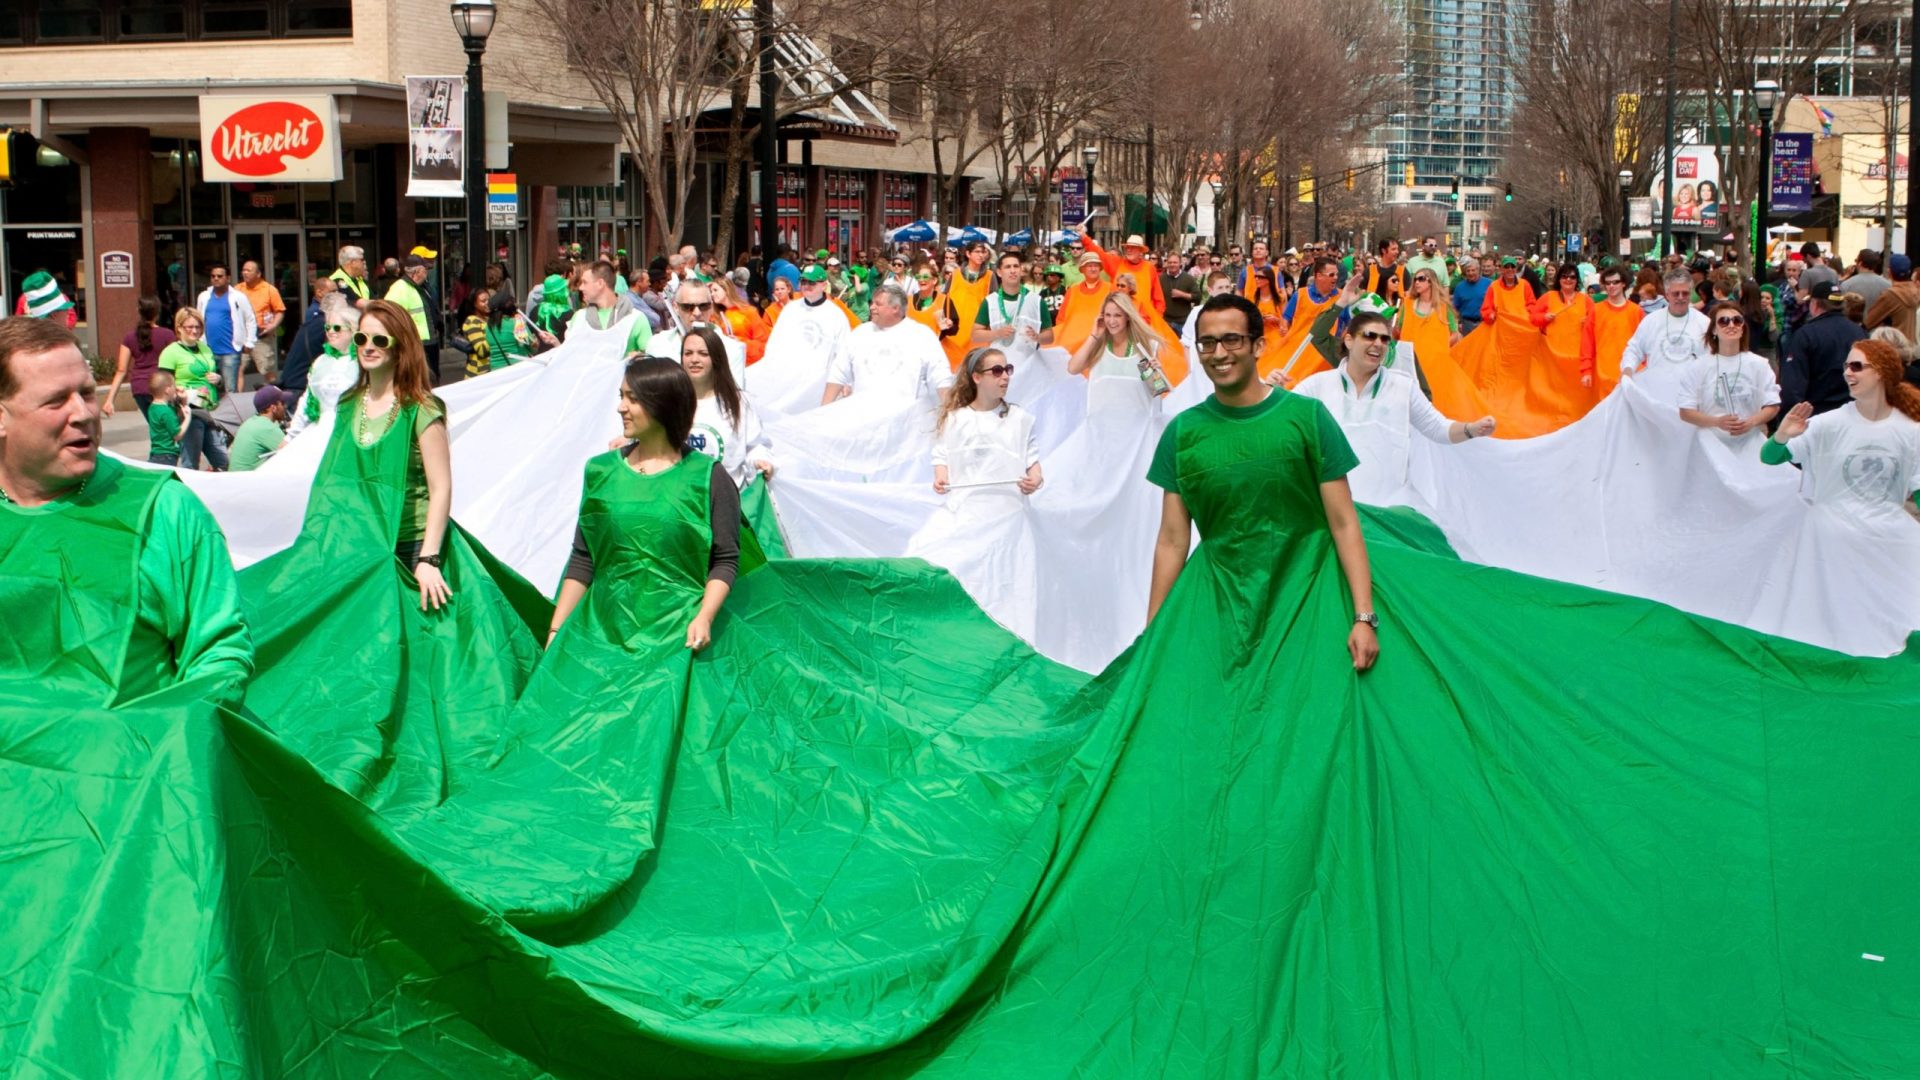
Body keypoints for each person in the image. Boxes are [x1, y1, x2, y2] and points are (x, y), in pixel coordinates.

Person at [0, 317, 252, 703]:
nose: (84, 414)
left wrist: (157, 744)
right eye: (55, 400)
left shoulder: (167, 512)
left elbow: (219, 658)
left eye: (85, 393)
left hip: (128, 758)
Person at [1147, 292, 1378, 671]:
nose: (1219, 353)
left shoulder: (1308, 418)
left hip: (1307, 597)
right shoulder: (1182, 433)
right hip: (1219, 605)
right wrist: (1154, 633)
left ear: (1258, 345)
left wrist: (1363, 616)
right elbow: (1172, 540)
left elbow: (1343, 522)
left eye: (1231, 340)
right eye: (1208, 343)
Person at [548, 355, 741, 651]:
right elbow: (583, 558)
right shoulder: (600, 471)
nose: (620, 407)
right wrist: (555, 630)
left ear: (663, 405)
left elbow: (725, 560)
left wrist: (704, 617)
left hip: (677, 638)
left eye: (632, 399)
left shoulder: (709, 477)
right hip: (602, 636)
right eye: (621, 396)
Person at [1754, 338, 1920, 651]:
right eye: (1845, 366)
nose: (1848, 373)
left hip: (1884, 535)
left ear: (1882, 372)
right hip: (1830, 536)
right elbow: (1770, 457)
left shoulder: (1911, 431)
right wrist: (1780, 435)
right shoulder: (1828, 424)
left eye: (1857, 366)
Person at [904, 345, 1044, 639]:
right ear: (977, 378)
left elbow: (1033, 462)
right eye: (996, 371)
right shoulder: (956, 418)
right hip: (966, 513)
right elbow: (941, 455)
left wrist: (1035, 480)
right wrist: (941, 478)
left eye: (1007, 370)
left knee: (1003, 589)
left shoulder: (1019, 417)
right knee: (931, 557)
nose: (1004, 377)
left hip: (1007, 519)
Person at [1292, 308, 1495, 506]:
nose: (1378, 344)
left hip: (1387, 507)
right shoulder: (1316, 385)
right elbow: (1283, 419)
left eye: (1385, 339)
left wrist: (1471, 429)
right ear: (1349, 340)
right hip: (1332, 507)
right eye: (1370, 336)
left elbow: (1438, 428)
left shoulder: (1403, 386)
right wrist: (1271, 388)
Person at [340, 300, 452, 611]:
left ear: (400, 347)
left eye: (380, 340)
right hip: (364, 545)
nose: (369, 347)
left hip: (412, 545)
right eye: (362, 338)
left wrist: (429, 557)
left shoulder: (422, 409)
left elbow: (440, 487)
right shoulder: (348, 406)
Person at [821, 284, 952, 404]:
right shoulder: (860, 333)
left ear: (895, 308)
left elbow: (941, 377)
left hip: (905, 421)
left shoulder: (922, 335)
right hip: (863, 417)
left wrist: (949, 415)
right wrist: (823, 411)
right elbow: (838, 373)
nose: (871, 307)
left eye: (878, 304)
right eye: (872, 303)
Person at [1677, 301, 1780, 453]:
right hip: (1710, 447)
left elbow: (1772, 405)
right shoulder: (1698, 367)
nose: (1731, 325)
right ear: (1714, 329)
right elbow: (1686, 412)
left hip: (1749, 444)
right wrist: (1717, 422)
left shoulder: (1759, 364)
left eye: (1737, 321)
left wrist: (1751, 422)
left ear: (1743, 328)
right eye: (1724, 321)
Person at [681, 324, 773, 489]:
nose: (694, 359)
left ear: (716, 358)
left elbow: (755, 445)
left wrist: (761, 461)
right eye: (688, 353)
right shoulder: (669, 399)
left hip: (727, 499)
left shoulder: (738, 401)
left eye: (703, 354)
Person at [1779, 269, 1868, 419]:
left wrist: (1788, 419)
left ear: (1814, 304)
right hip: (1853, 413)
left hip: (1815, 416)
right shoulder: (1859, 333)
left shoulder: (1806, 335)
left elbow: (1793, 384)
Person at [156, 306, 229, 471]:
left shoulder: (205, 348)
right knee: (191, 463)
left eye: (198, 327)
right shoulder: (170, 352)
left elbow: (217, 379)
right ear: (179, 328)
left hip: (210, 412)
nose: (194, 331)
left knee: (222, 462)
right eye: (190, 327)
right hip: (189, 412)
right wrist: (179, 392)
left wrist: (218, 380)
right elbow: (163, 385)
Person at [1067, 292, 1172, 403]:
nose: (1111, 321)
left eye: (1117, 315)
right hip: (1103, 417)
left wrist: (1158, 373)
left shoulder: (1142, 347)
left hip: (1135, 417)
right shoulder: (1099, 345)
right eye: (1108, 315)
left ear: (1127, 316)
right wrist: (1094, 336)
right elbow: (1073, 369)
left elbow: (1158, 389)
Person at [1618, 268, 1709, 395]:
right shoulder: (1651, 321)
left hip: (1692, 395)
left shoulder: (1705, 323)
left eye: (1685, 293)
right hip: (1656, 394)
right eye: (1676, 294)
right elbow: (1634, 349)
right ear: (1667, 294)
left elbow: (1713, 358)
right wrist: (1627, 371)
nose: (1681, 298)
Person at [287, 293, 360, 440]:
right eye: (328, 327)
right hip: (320, 432)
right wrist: (290, 436)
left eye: (337, 328)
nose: (331, 332)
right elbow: (307, 400)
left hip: (349, 433)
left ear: (352, 330)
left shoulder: (362, 361)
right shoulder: (321, 361)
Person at [973, 251, 1054, 369]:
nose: (1012, 270)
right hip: (999, 369)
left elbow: (1050, 336)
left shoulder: (1036, 301)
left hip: (1028, 368)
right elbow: (975, 335)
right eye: (1007, 267)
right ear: (999, 272)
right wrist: (997, 333)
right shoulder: (990, 302)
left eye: (1016, 266)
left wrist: (1037, 337)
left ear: (1021, 271)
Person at [103, 295, 175, 419]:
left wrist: (110, 400)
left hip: (139, 388)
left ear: (139, 311)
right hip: (161, 386)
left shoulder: (129, 337)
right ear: (158, 312)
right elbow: (176, 362)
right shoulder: (168, 335)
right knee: (169, 428)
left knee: (156, 427)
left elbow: (121, 370)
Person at [196, 261, 259, 396]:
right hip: (208, 351)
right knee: (209, 389)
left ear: (228, 278)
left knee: (230, 389)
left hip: (230, 351)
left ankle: (231, 416)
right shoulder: (204, 297)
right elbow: (198, 320)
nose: (216, 279)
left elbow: (250, 319)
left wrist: (249, 342)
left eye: (220, 276)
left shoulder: (238, 297)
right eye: (213, 276)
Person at [1529, 262, 1596, 387]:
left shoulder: (1586, 300)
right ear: (1559, 279)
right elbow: (1532, 318)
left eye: (1572, 277)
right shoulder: (1548, 297)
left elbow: (1596, 322)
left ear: (1577, 280)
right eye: (1564, 276)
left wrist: (1588, 320)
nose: (1568, 280)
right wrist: (1544, 317)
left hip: (1576, 356)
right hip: (1551, 356)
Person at [568, 259, 652, 355]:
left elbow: (649, 358)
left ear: (600, 283)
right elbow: (570, 355)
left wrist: (639, 357)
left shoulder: (636, 318)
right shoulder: (579, 317)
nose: (581, 288)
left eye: (585, 282)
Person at [1582, 266, 1645, 394]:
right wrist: (1586, 371)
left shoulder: (1636, 311)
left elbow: (1645, 344)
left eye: (1615, 282)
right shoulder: (1596, 310)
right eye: (1608, 283)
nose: (1611, 286)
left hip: (1633, 375)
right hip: (1604, 377)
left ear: (1623, 284)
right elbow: (1587, 343)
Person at [278, 275, 336, 396]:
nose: (337, 296)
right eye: (332, 292)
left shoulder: (322, 314)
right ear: (319, 292)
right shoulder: (317, 316)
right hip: (299, 384)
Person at [1393, 267, 1461, 370]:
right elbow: (1398, 331)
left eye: (1421, 279)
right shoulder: (1407, 304)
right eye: (1415, 279)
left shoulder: (1443, 306)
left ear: (1431, 282)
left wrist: (1438, 350)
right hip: (1410, 362)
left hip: (1435, 364)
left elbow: (1454, 334)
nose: (1417, 282)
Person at [235, 259, 286, 389]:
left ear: (258, 274)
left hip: (261, 337)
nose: (245, 273)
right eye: (243, 270)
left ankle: (275, 396)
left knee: (267, 369)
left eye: (249, 270)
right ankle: (237, 400)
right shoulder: (237, 289)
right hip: (242, 337)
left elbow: (279, 311)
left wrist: (273, 325)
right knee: (237, 369)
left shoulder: (269, 290)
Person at [229, 385, 292, 472]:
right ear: (273, 408)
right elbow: (293, 454)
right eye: (282, 403)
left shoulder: (250, 422)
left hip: (236, 479)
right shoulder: (267, 428)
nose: (285, 406)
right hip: (248, 482)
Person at [1865, 253, 1919, 340]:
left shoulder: (1891, 295)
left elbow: (1868, 322)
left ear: (1889, 272)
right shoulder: (1916, 291)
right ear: (1909, 272)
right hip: (1912, 345)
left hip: (1895, 345)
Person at [144, 370, 185, 466]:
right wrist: (188, 418)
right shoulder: (166, 412)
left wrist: (180, 400)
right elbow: (177, 435)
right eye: (174, 386)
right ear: (167, 390)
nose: (176, 388)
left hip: (156, 453)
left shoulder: (153, 407)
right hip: (167, 455)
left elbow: (175, 415)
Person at [1844, 249, 1893, 313]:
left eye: (1856, 261)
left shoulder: (1847, 285)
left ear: (1860, 263)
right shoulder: (1888, 285)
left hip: (1854, 321)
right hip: (1878, 322)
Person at [1450, 258, 1490, 336]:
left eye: (1473, 270)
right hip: (1466, 324)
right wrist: (1458, 322)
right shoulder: (1459, 287)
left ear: (1478, 270)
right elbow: (1455, 308)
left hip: (1484, 323)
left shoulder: (1489, 284)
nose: (1470, 273)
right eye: (1468, 271)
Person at [329, 245, 372, 310]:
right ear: (353, 262)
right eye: (362, 259)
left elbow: (373, 298)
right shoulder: (337, 280)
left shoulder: (359, 279)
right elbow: (357, 302)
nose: (364, 262)